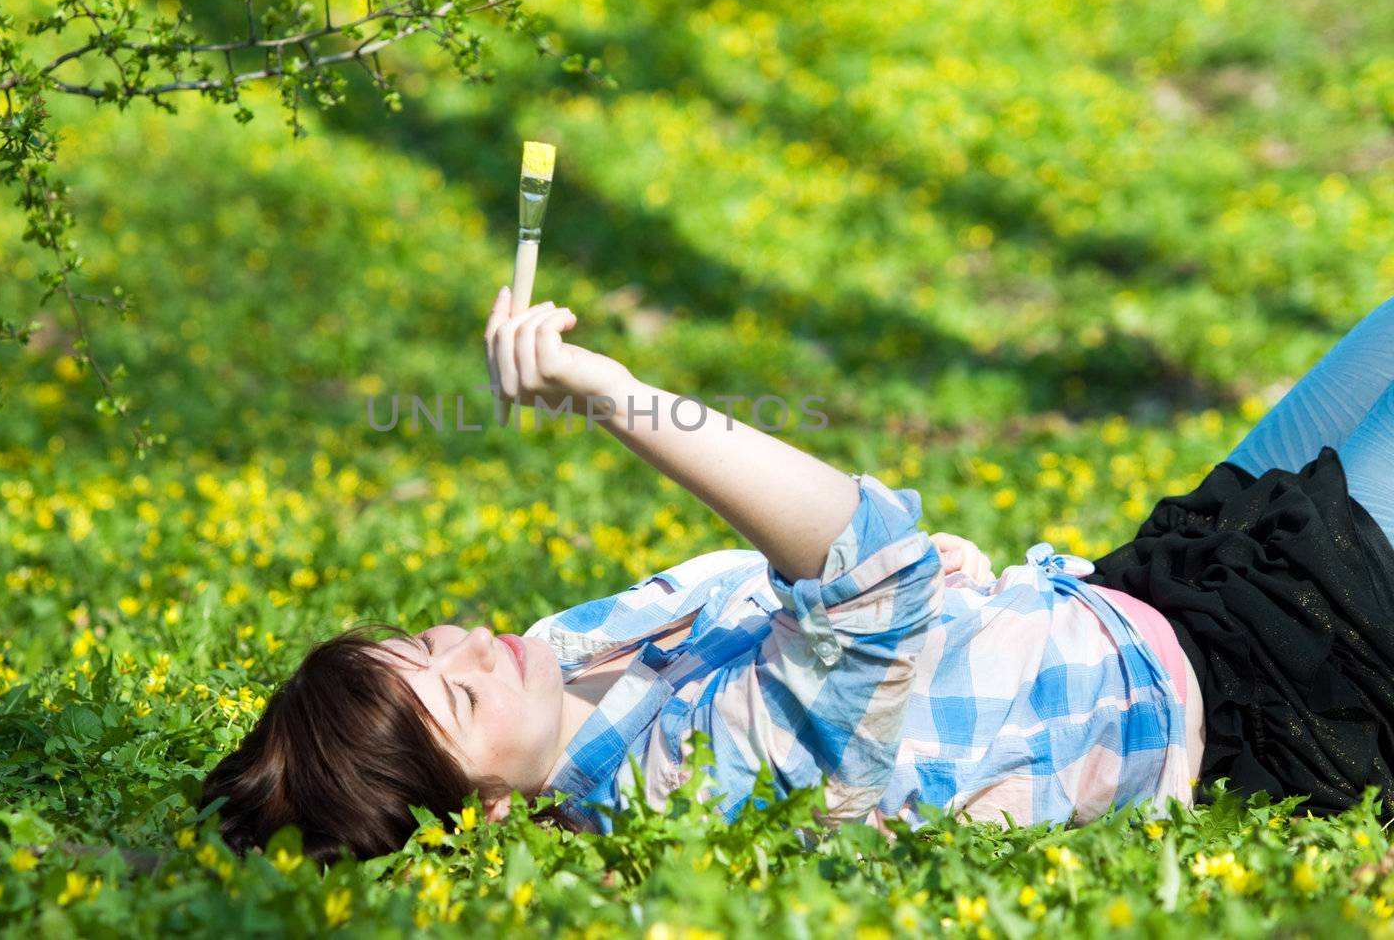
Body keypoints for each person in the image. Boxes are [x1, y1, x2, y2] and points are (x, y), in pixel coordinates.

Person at [201, 289, 1394, 863]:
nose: (471, 646)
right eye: (457, 697)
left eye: (426, 643)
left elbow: (870, 610)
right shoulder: (688, 783)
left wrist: (954, 606)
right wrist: (609, 391)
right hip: (1284, 661)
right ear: (493, 808)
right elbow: (865, 564)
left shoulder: (573, 659)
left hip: (1159, 582)